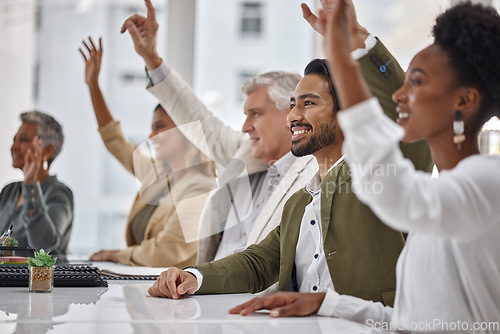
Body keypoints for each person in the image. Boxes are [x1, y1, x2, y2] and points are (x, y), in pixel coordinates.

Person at [229, 1, 500, 332]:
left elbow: (393, 191)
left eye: (416, 82)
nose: (399, 95)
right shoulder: (443, 198)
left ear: (463, 101)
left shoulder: (489, 181)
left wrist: (344, 57)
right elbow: (411, 322)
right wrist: (327, 303)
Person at [145, 1, 433, 304]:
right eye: (293, 104)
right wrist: (193, 277)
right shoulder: (299, 204)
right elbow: (257, 263)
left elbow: (407, 126)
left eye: (308, 103)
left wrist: (357, 40)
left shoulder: (377, 175)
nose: (293, 116)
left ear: (345, 112)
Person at [121, 0, 319, 267]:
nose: (245, 126)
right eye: (245, 114)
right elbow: (197, 117)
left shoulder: (315, 173)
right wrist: (152, 60)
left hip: (251, 302)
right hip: (205, 293)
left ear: (290, 113)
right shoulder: (244, 152)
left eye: (256, 114)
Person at [79, 37, 215, 267]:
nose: (152, 136)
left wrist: (117, 255)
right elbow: (115, 141)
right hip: (144, 287)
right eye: (152, 127)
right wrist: (93, 85)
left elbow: (166, 253)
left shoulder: (201, 186)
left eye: (160, 126)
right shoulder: (158, 174)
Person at [0, 111, 73, 254]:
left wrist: (30, 185)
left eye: (24, 140)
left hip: (40, 276)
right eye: (14, 140)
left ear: (48, 150)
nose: (14, 147)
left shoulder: (58, 193)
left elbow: (44, 246)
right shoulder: (9, 191)